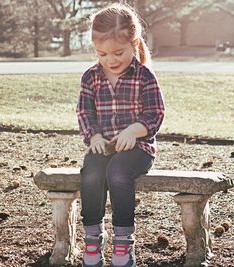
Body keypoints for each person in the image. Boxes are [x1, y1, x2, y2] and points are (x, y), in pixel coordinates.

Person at [76, 3, 165, 267]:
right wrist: (94, 137)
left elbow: (156, 113)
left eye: (118, 52)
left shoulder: (144, 75)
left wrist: (133, 131)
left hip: (138, 150)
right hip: (104, 146)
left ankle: (124, 243)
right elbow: (84, 112)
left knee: (117, 172)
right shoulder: (91, 77)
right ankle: (93, 239)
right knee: (91, 171)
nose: (111, 60)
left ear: (134, 43)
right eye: (102, 53)